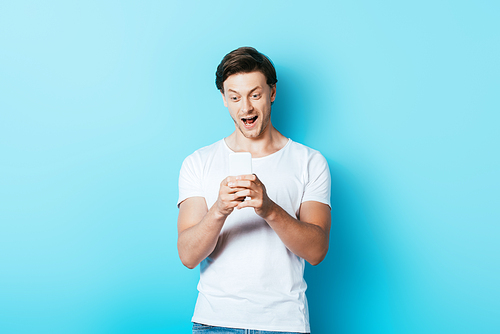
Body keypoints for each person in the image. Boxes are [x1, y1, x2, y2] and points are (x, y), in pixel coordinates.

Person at [177, 47, 331, 334]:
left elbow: (317, 250)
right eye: (234, 97)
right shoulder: (198, 162)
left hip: (284, 323)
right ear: (223, 98)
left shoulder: (310, 162)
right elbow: (187, 255)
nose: (245, 108)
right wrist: (219, 210)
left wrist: (269, 209)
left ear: (272, 93)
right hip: (215, 323)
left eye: (255, 95)